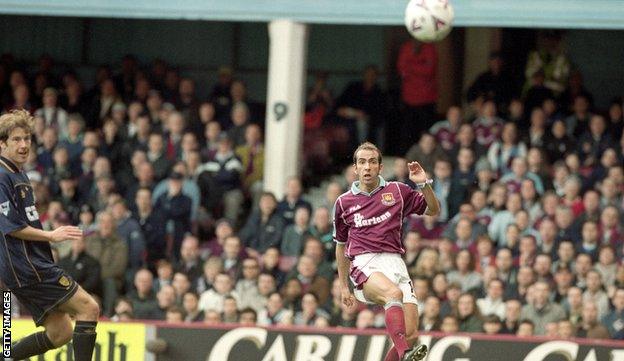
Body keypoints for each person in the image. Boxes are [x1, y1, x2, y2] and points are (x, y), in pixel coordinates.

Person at [0, 110, 99, 360]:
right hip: (25, 266)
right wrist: (52, 236)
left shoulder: (17, 173)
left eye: (27, 139)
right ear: (2, 143)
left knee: (60, 332)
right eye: (16, 140)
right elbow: (11, 227)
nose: (24, 145)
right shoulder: (1, 176)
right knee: (89, 307)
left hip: (27, 264)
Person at [334, 142, 440, 361]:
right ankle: (405, 353)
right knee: (393, 295)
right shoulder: (343, 203)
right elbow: (341, 245)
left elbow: (433, 209)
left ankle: (404, 348)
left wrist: (423, 184)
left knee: (410, 334)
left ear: (381, 168)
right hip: (365, 262)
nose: (367, 167)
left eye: (372, 162)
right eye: (362, 162)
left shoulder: (398, 191)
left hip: (396, 262)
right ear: (355, 168)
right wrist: (344, 286)